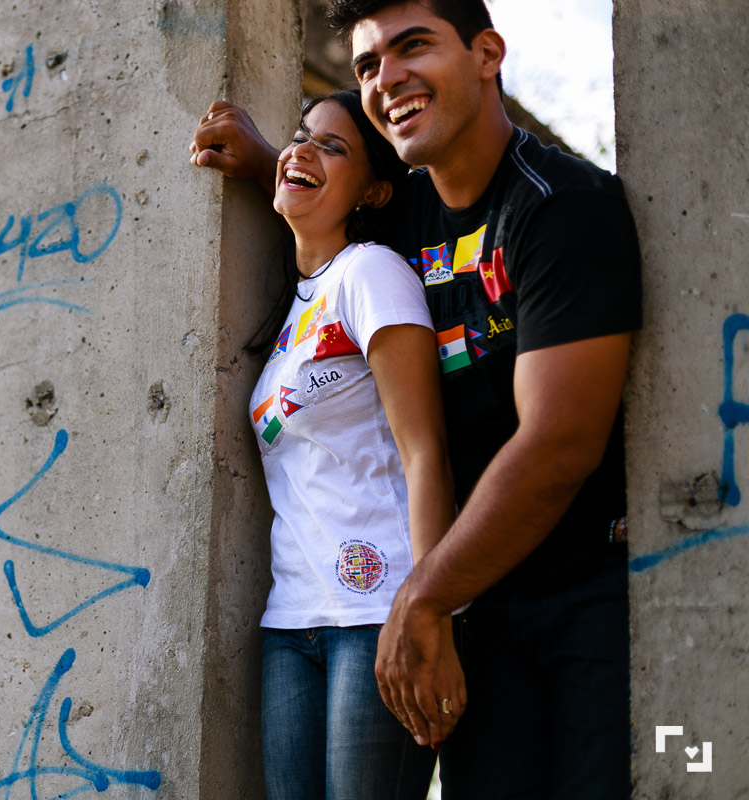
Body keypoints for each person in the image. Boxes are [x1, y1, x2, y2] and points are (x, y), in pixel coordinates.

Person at [189, 2, 643, 798]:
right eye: (367, 65)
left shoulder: (562, 209)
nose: (386, 78)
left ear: (486, 54)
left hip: (587, 600)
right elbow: (335, 195)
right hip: (476, 612)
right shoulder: (405, 215)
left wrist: (421, 597)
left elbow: (558, 446)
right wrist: (267, 159)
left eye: (412, 48)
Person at [246, 89, 461, 800]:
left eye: (331, 146)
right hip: (291, 623)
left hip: (378, 618)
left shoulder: (371, 273)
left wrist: (430, 614)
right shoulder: (293, 310)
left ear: (371, 189)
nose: (303, 149)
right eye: (300, 135)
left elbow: (425, 449)